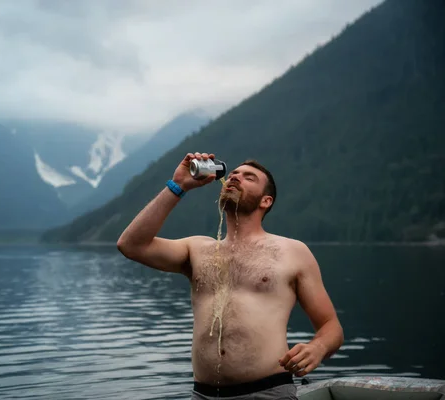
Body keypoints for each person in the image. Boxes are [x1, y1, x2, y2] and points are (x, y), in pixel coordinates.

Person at [116, 152, 344, 400]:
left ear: (265, 201)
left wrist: (317, 347)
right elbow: (131, 245)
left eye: (249, 177)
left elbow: (331, 326)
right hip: (203, 395)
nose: (235, 177)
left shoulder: (293, 252)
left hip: (267, 392)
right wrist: (178, 185)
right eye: (233, 173)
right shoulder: (197, 249)